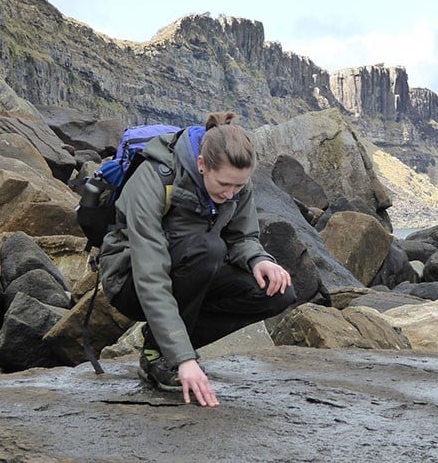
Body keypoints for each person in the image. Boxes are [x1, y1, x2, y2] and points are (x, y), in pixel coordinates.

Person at [99, 111, 296, 407]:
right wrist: (184, 359)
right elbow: (150, 274)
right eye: (225, 185)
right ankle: (166, 355)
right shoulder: (154, 178)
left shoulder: (236, 183)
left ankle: (157, 348)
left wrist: (258, 260)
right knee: (209, 249)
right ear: (202, 165)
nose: (231, 195)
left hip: (193, 269)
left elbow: (241, 237)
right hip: (130, 281)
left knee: (277, 293)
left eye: (239, 187)